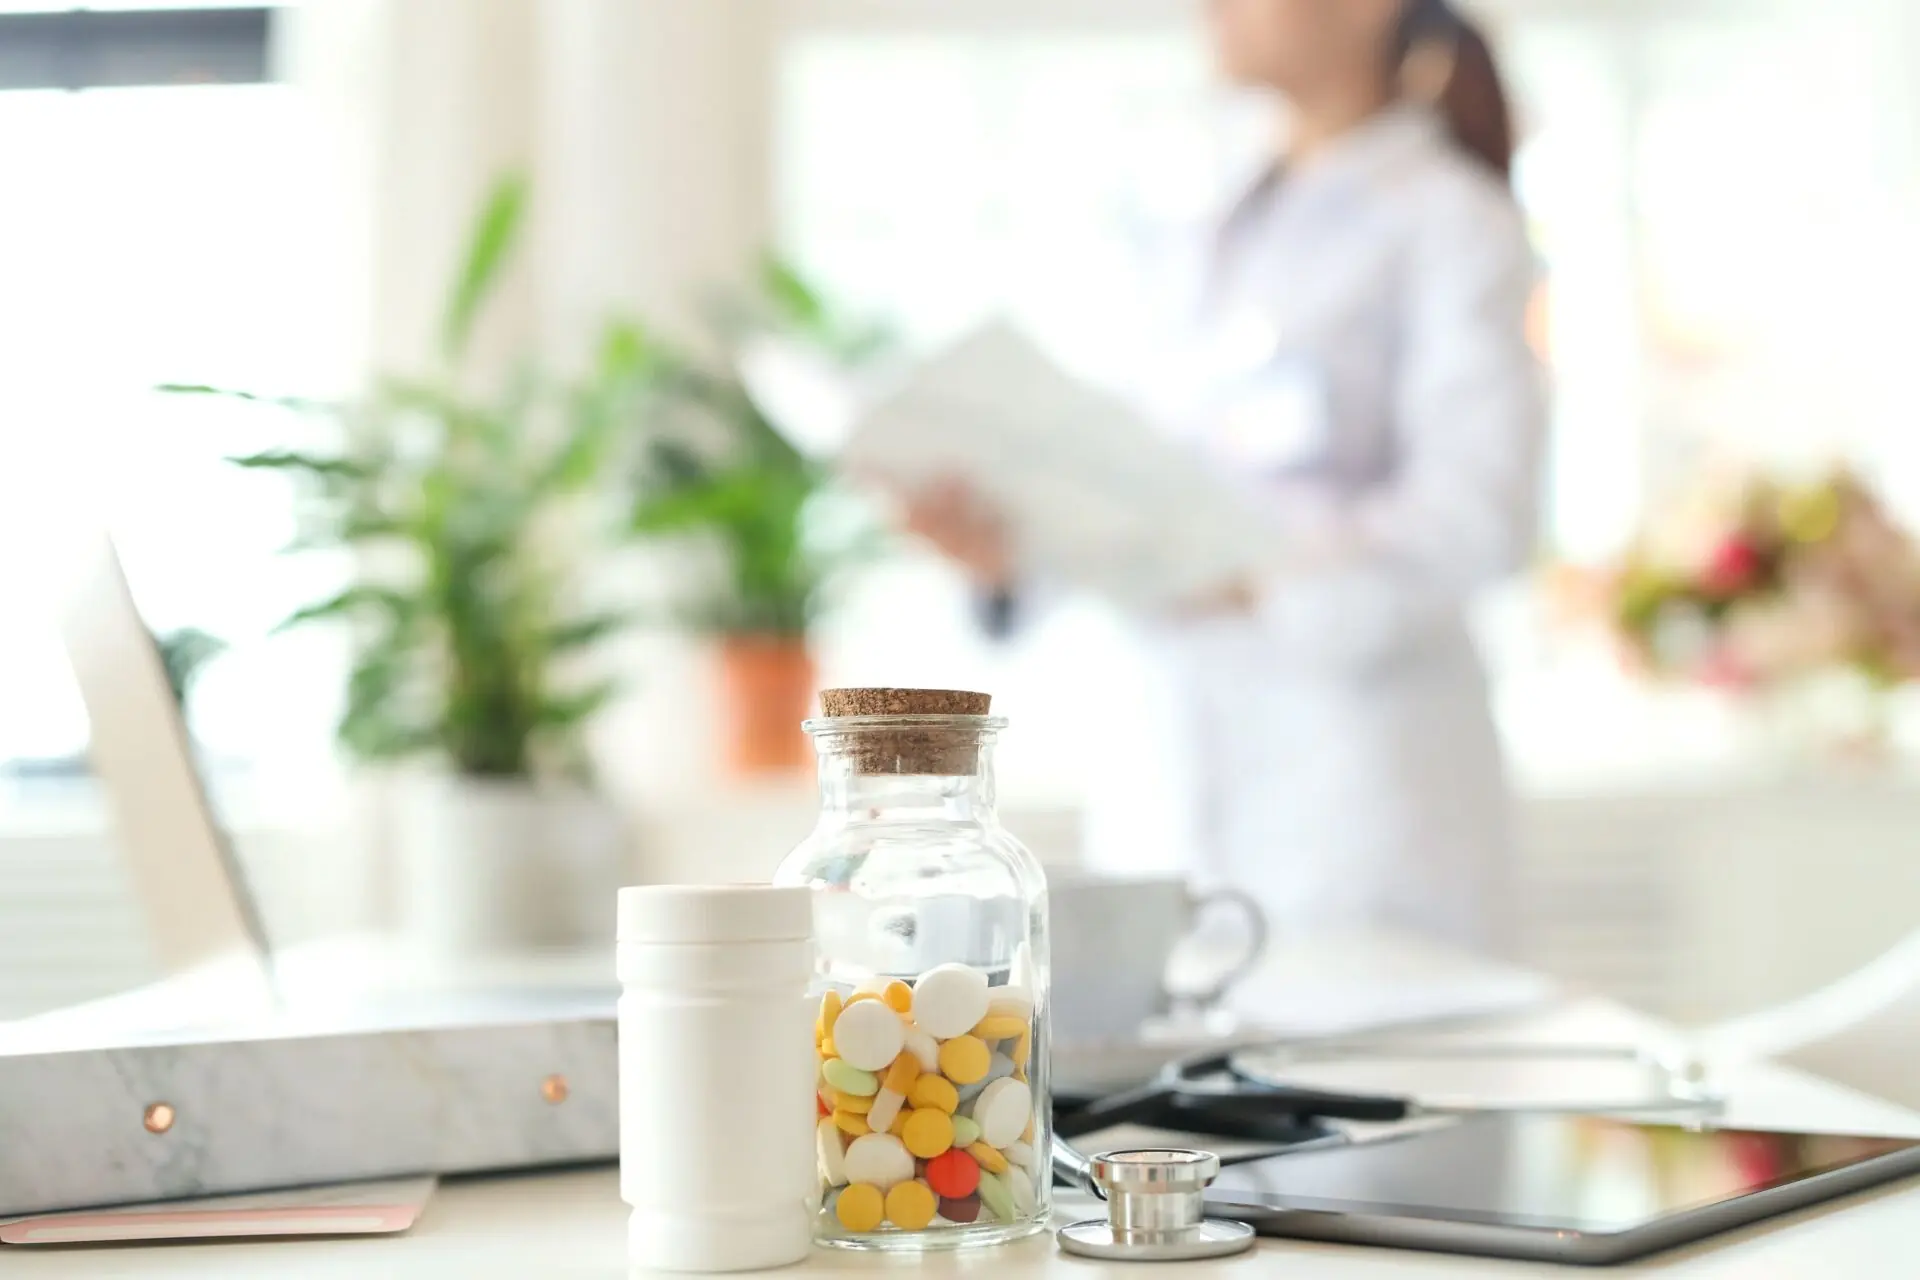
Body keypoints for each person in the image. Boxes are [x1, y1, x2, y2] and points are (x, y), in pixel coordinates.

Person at [904, 0, 1545, 955]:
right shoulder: (1204, 222)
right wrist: (1012, 553)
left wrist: (1252, 576)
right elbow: (1140, 476)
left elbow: (1482, 511)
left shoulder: (1451, 222)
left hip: (1357, 796)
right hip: (1173, 777)